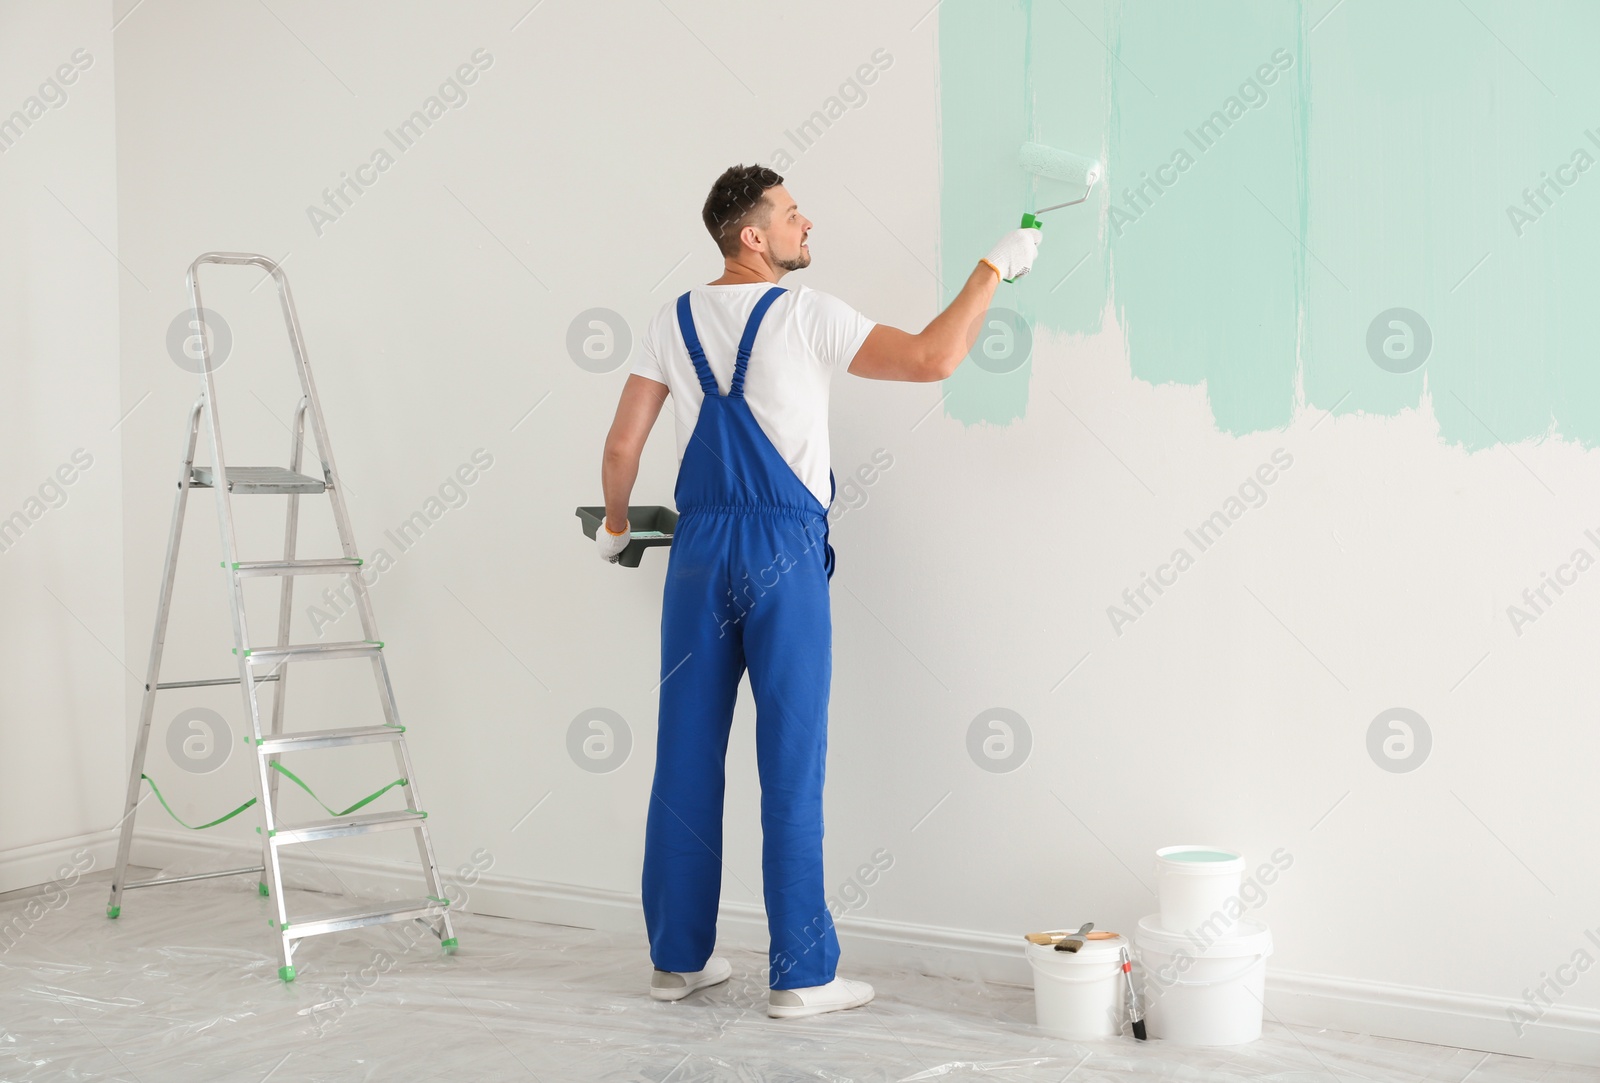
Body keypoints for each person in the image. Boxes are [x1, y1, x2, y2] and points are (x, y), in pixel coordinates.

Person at [597, 164, 1041, 1019]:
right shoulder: (807, 313)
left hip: (695, 552)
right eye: (793, 215)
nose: (809, 225)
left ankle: (676, 960)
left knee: (684, 753)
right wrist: (993, 267)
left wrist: (617, 527)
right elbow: (933, 357)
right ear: (752, 235)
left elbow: (622, 446)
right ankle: (802, 974)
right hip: (781, 551)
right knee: (790, 762)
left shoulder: (671, 318)